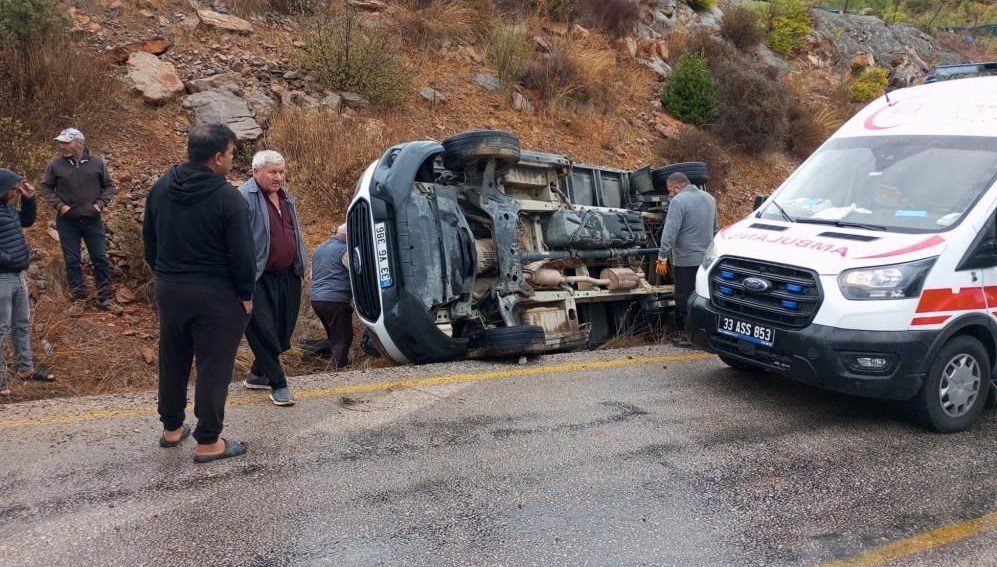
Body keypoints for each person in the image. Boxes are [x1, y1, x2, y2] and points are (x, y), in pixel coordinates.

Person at [143, 123, 256, 463]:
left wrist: (166, 274)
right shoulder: (227, 198)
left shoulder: (161, 188)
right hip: (216, 294)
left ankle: (172, 428)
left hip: (170, 288)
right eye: (232, 154)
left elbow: (149, 241)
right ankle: (209, 440)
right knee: (213, 366)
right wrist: (245, 293)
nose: (232, 161)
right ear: (217, 156)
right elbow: (243, 256)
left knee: (173, 358)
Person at [238, 150, 306, 406]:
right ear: (256, 172)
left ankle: (257, 374)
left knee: (281, 331)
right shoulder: (243, 198)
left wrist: (300, 262)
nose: (279, 177)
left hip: (288, 275)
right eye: (273, 172)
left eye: (281, 171)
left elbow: (293, 232)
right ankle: (278, 383)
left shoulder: (286, 198)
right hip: (258, 277)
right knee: (262, 330)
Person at [38, 128, 120, 312]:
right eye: (61, 142)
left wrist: (99, 205)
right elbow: (45, 188)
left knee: (100, 258)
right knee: (72, 261)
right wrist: (61, 206)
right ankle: (79, 299)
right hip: (67, 221)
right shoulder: (55, 164)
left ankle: (105, 298)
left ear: (80, 143)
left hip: (93, 220)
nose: (62, 146)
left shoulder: (97, 163)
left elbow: (109, 187)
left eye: (66, 142)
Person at [0, 169, 54, 397]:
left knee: (20, 324)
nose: (15, 192)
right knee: (1, 329)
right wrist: (9, 260)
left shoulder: (8, 209)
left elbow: (28, 221)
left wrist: (29, 198)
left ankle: (26, 369)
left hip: (17, 276)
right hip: (2, 276)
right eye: (12, 188)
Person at [656, 171, 717, 348]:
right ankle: (704, 334)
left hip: (685, 259)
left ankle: (690, 337)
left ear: (678, 186)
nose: (669, 194)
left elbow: (670, 231)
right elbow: (715, 230)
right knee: (702, 297)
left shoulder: (679, 201)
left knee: (683, 298)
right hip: (706, 260)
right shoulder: (710, 199)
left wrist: (662, 256)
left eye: (670, 190)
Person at [310, 223, 354, 370]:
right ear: (348, 235)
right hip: (336, 300)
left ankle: (338, 363)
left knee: (334, 335)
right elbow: (357, 272)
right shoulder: (345, 250)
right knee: (343, 336)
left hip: (316, 299)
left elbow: (312, 274)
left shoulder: (319, 249)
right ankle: (339, 369)